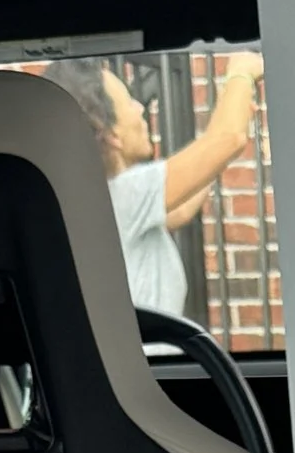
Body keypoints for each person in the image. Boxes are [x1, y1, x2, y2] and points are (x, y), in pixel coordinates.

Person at [43, 52, 263, 315]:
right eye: (129, 103)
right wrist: (242, 72)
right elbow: (228, 138)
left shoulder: (93, 201)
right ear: (110, 133)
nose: (140, 108)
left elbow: (178, 210)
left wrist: (217, 154)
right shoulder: (119, 196)